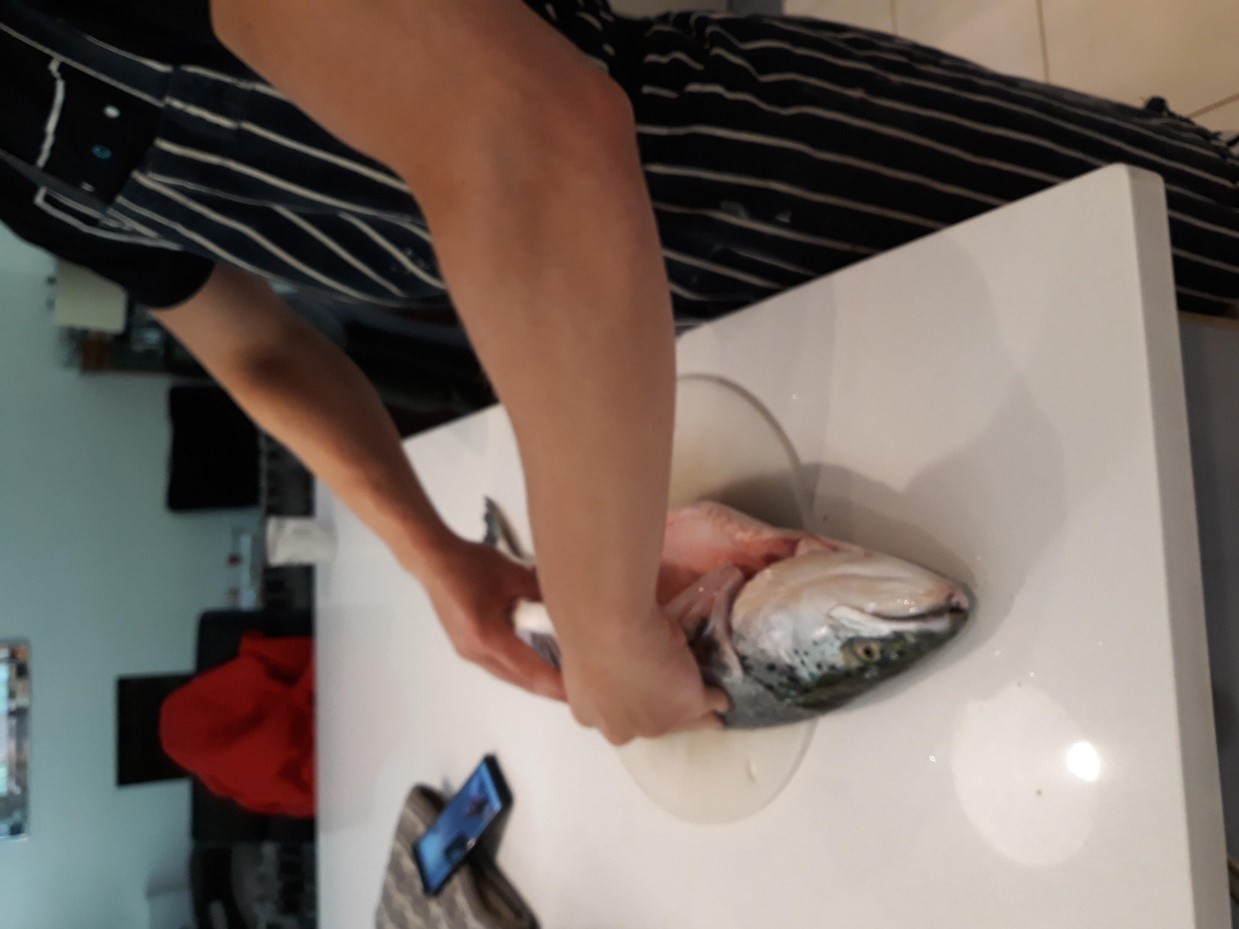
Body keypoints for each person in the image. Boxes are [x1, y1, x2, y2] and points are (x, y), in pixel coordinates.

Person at [3, 0, 1236, 746]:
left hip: (746, 175)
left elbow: (519, 127)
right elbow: (257, 346)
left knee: (1189, 260)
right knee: (1122, 567)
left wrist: (597, 619)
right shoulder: (19, 173)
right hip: (614, 334)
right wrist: (441, 559)